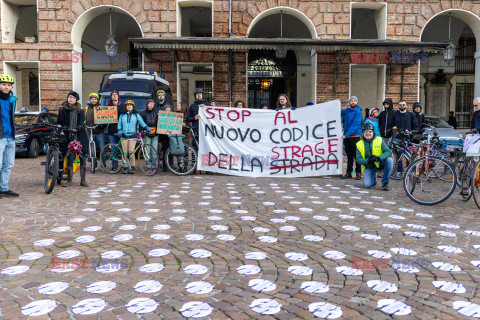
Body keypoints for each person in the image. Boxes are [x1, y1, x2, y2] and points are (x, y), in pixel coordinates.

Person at [58, 91, 89, 187]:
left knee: (82, 156)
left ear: (76, 100)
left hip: (80, 134)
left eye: (73, 97)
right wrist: (61, 129)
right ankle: (69, 180)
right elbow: (59, 122)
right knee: (70, 156)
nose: (70, 99)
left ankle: (83, 180)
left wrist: (76, 128)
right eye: (69, 97)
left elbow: (81, 122)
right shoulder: (62, 109)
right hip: (68, 135)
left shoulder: (80, 110)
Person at [117, 100, 152, 174]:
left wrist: (146, 127)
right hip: (124, 136)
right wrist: (119, 130)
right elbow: (119, 124)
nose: (129, 106)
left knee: (131, 151)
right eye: (127, 105)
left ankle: (132, 166)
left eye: (131, 105)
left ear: (133, 106)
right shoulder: (122, 115)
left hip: (133, 136)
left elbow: (141, 122)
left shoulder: (136, 115)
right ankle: (125, 166)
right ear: (125, 107)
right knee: (125, 152)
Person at [356, 123, 393, 190]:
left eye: (370, 131)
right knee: (367, 185)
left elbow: (388, 152)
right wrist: (367, 161)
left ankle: (385, 183)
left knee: (389, 160)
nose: (368, 133)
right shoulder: (359, 144)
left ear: (373, 132)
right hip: (369, 166)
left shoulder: (379, 140)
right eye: (366, 131)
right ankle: (373, 179)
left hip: (379, 163)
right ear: (363, 133)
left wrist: (378, 158)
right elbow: (358, 159)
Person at [0, 74, 19, 198]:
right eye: (3, 84)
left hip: (10, 136)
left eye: (8, 85)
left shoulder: (12, 100)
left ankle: (4, 188)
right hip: (0, 137)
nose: (6, 87)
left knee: (8, 164)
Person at [392, 100, 418, 177]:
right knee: (399, 156)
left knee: (410, 155)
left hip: (408, 138)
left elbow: (415, 125)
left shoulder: (411, 115)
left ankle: (410, 170)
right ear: (398, 106)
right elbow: (392, 124)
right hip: (399, 138)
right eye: (400, 105)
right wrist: (395, 130)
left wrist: (412, 132)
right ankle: (399, 171)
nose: (402, 106)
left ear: (406, 106)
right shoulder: (395, 114)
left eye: (403, 105)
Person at [341, 96, 363, 180]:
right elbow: (339, 112)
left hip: (355, 137)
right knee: (349, 156)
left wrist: (346, 135)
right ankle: (348, 172)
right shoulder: (347, 111)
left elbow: (355, 125)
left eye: (354, 101)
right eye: (351, 101)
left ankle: (358, 173)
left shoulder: (358, 112)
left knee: (357, 156)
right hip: (347, 137)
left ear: (356, 102)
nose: (353, 102)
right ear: (349, 102)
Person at [84, 92, 106, 171]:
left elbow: (105, 119)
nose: (93, 100)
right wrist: (84, 126)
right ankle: (94, 165)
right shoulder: (86, 109)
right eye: (92, 99)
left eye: (95, 99)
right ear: (90, 100)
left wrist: (102, 126)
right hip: (90, 132)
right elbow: (84, 119)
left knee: (102, 149)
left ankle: (103, 166)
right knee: (91, 150)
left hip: (99, 132)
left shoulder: (100, 108)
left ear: (97, 100)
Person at [140, 100, 159, 174]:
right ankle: (148, 166)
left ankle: (153, 166)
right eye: (149, 104)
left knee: (154, 151)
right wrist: (143, 131)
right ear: (147, 105)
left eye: (152, 104)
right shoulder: (143, 113)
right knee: (147, 151)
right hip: (147, 133)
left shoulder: (157, 113)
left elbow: (159, 123)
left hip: (155, 133)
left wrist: (157, 131)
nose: (151, 105)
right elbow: (142, 123)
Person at [107, 90, 124, 171]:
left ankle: (124, 165)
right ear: (111, 96)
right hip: (111, 131)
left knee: (123, 149)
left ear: (118, 96)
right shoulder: (107, 106)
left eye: (116, 95)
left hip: (121, 131)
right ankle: (114, 166)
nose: (114, 96)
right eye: (113, 95)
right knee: (113, 149)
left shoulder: (122, 106)